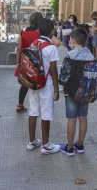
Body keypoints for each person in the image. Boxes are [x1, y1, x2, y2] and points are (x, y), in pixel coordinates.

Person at [26, 18, 61, 154]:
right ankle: (46, 145)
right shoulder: (51, 47)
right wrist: (57, 89)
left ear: (39, 30)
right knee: (46, 113)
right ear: (52, 31)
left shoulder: (34, 43)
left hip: (33, 83)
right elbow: (53, 70)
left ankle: (32, 141)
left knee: (33, 111)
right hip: (46, 84)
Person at [59, 28, 96, 156]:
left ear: (73, 41)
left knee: (72, 119)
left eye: (70, 39)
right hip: (86, 91)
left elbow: (64, 76)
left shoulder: (70, 55)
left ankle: (69, 147)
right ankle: (80, 145)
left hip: (72, 92)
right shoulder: (91, 56)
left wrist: (61, 86)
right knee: (83, 118)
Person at [14, 11, 44, 112]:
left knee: (25, 83)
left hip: (26, 61)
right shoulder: (42, 32)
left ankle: (20, 105)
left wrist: (18, 62)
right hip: (39, 62)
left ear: (30, 20)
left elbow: (18, 49)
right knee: (40, 82)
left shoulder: (23, 31)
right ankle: (40, 106)